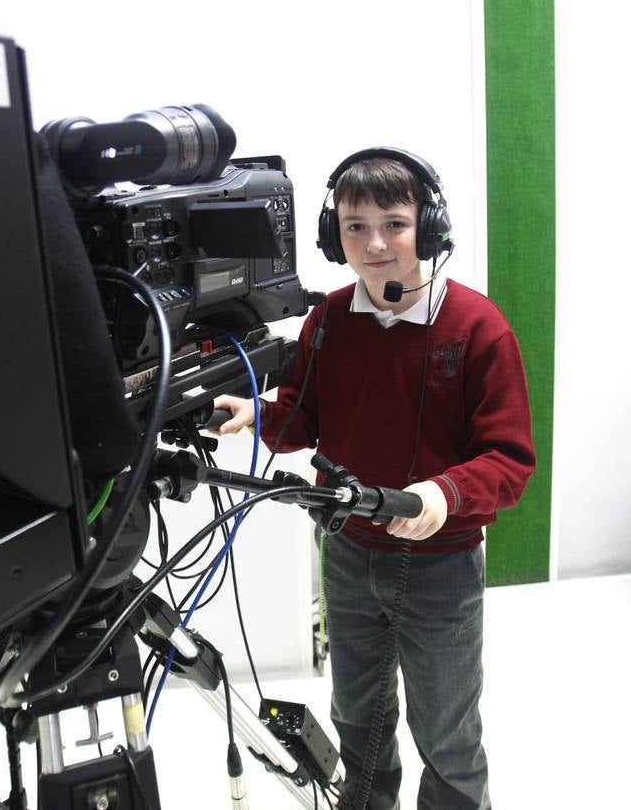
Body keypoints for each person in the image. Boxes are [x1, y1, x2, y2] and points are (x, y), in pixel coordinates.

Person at [214, 148, 535, 809]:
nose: (374, 243)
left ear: (430, 228)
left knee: (444, 734)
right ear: (334, 237)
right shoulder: (329, 318)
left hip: (440, 569)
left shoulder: (478, 328)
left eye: (392, 222)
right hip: (349, 554)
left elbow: (508, 461)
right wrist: (258, 413)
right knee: (356, 720)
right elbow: (304, 416)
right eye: (354, 226)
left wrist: (439, 495)